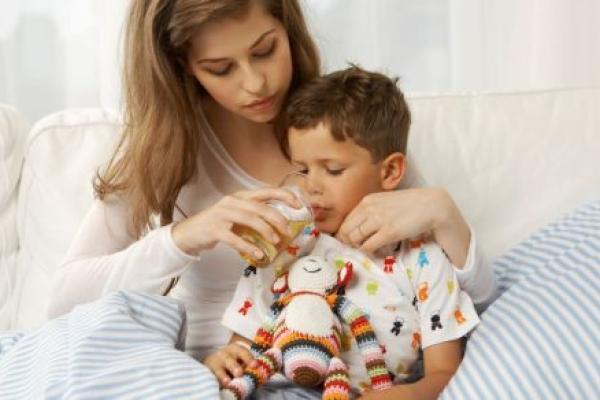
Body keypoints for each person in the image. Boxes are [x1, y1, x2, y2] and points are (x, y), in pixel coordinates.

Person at [47, 0, 495, 390]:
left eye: (265, 50)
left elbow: (459, 298)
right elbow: (63, 302)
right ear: (182, 64)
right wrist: (185, 237)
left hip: (345, 373)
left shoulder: (339, 127)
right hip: (215, 372)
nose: (255, 83)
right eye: (220, 68)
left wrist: (442, 213)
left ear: (288, 27)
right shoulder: (164, 150)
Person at [220, 65, 487, 399]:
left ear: (389, 171)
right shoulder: (290, 246)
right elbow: (242, 351)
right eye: (302, 170)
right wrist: (224, 360)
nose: (311, 186)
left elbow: (443, 374)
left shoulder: (422, 257)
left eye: (333, 170)